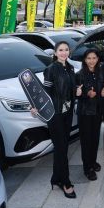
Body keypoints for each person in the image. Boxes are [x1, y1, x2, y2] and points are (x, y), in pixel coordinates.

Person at [30, 41, 77, 199]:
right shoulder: (50, 69)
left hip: (67, 113)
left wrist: (76, 91)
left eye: (66, 50)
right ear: (55, 53)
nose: (64, 53)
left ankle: (56, 179)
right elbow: (45, 92)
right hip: (55, 115)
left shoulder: (69, 68)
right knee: (62, 148)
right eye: (61, 50)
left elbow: (70, 89)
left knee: (61, 148)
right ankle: (66, 182)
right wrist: (35, 107)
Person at [75, 49, 104, 180]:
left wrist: (102, 93)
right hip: (85, 113)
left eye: (94, 58)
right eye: (89, 58)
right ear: (84, 60)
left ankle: (93, 161)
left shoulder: (100, 72)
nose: (91, 61)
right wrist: (86, 94)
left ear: (98, 59)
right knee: (86, 141)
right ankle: (87, 168)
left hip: (97, 111)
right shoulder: (79, 75)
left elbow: (101, 88)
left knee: (95, 139)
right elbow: (75, 94)